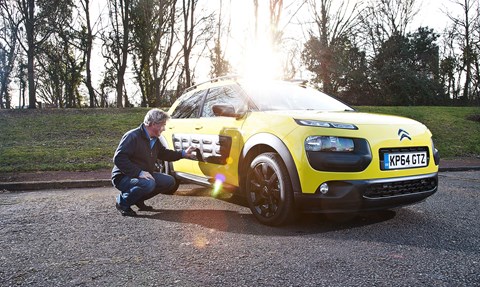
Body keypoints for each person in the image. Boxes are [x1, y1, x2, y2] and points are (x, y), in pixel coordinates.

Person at [111, 108, 196, 216]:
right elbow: (119, 159)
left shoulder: (155, 139)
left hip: (144, 175)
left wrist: (183, 154)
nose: (164, 129)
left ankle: (137, 199)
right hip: (123, 177)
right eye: (163, 125)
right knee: (148, 183)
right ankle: (122, 202)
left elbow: (164, 154)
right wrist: (139, 173)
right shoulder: (132, 136)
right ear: (154, 124)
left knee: (169, 181)